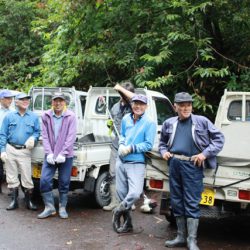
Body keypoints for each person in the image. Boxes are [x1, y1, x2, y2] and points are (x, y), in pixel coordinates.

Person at [159, 92, 224, 250]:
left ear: (192, 106)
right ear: (175, 107)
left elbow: (219, 139)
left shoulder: (202, 121)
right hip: (174, 163)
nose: (186, 108)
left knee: (192, 203)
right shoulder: (169, 123)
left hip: (193, 165)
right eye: (182, 105)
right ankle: (180, 237)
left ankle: (192, 240)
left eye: (188, 105)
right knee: (176, 202)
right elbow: (162, 143)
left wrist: (204, 154)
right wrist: (163, 152)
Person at [112, 94, 156, 233]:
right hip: (121, 160)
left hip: (136, 162)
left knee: (135, 193)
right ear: (132, 104)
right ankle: (128, 223)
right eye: (136, 103)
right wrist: (122, 144)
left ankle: (118, 211)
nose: (138, 106)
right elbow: (123, 135)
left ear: (146, 106)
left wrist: (131, 148)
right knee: (121, 193)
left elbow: (148, 144)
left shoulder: (150, 123)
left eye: (141, 104)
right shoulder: (126, 119)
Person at [38, 92, 77, 219]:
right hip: (50, 154)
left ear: (65, 102)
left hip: (66, 156)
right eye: (56, 101)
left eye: (61, 101)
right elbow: (44, 136)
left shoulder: (71, 116)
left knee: (64, 181)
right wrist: (49, 153)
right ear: (52, 102)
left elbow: (71, 137)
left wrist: (63, 153)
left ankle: (62, 207)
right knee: (44, 179)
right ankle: (49, 207)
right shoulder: (46, 116)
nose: (58, 103)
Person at [0, 93, 40, 210]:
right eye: (22, 99)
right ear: (16, 102)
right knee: (11, 177)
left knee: (27, 177)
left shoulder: (33, 117)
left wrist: (34, 138)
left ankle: (29, 201)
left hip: (25, 151)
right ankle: (14, 201)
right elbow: (3, 134)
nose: (25, 101)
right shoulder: (9, 116)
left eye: (27, 99)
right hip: (10, 148)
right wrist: (2, 150)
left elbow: (37, 132)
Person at [103, 82, 135, 211]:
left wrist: (121, 88)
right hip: (116, 145)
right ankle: (114, 202)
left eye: (124, 93)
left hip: (129, 146)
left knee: (128, 174)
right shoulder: (115, 107)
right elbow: (110, 123)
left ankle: (128, 201)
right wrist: (109, 124)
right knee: (113, 173)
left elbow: (133, 97)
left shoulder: (134, 106)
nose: (123, 96)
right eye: (121, 94)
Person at [0, 90, 16, 193]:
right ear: (1, 99)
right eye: (7, 98)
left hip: (9, 140)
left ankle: (13, 190)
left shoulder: (13, 111)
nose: (10, 100)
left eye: (11, 98)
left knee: (11, 165)